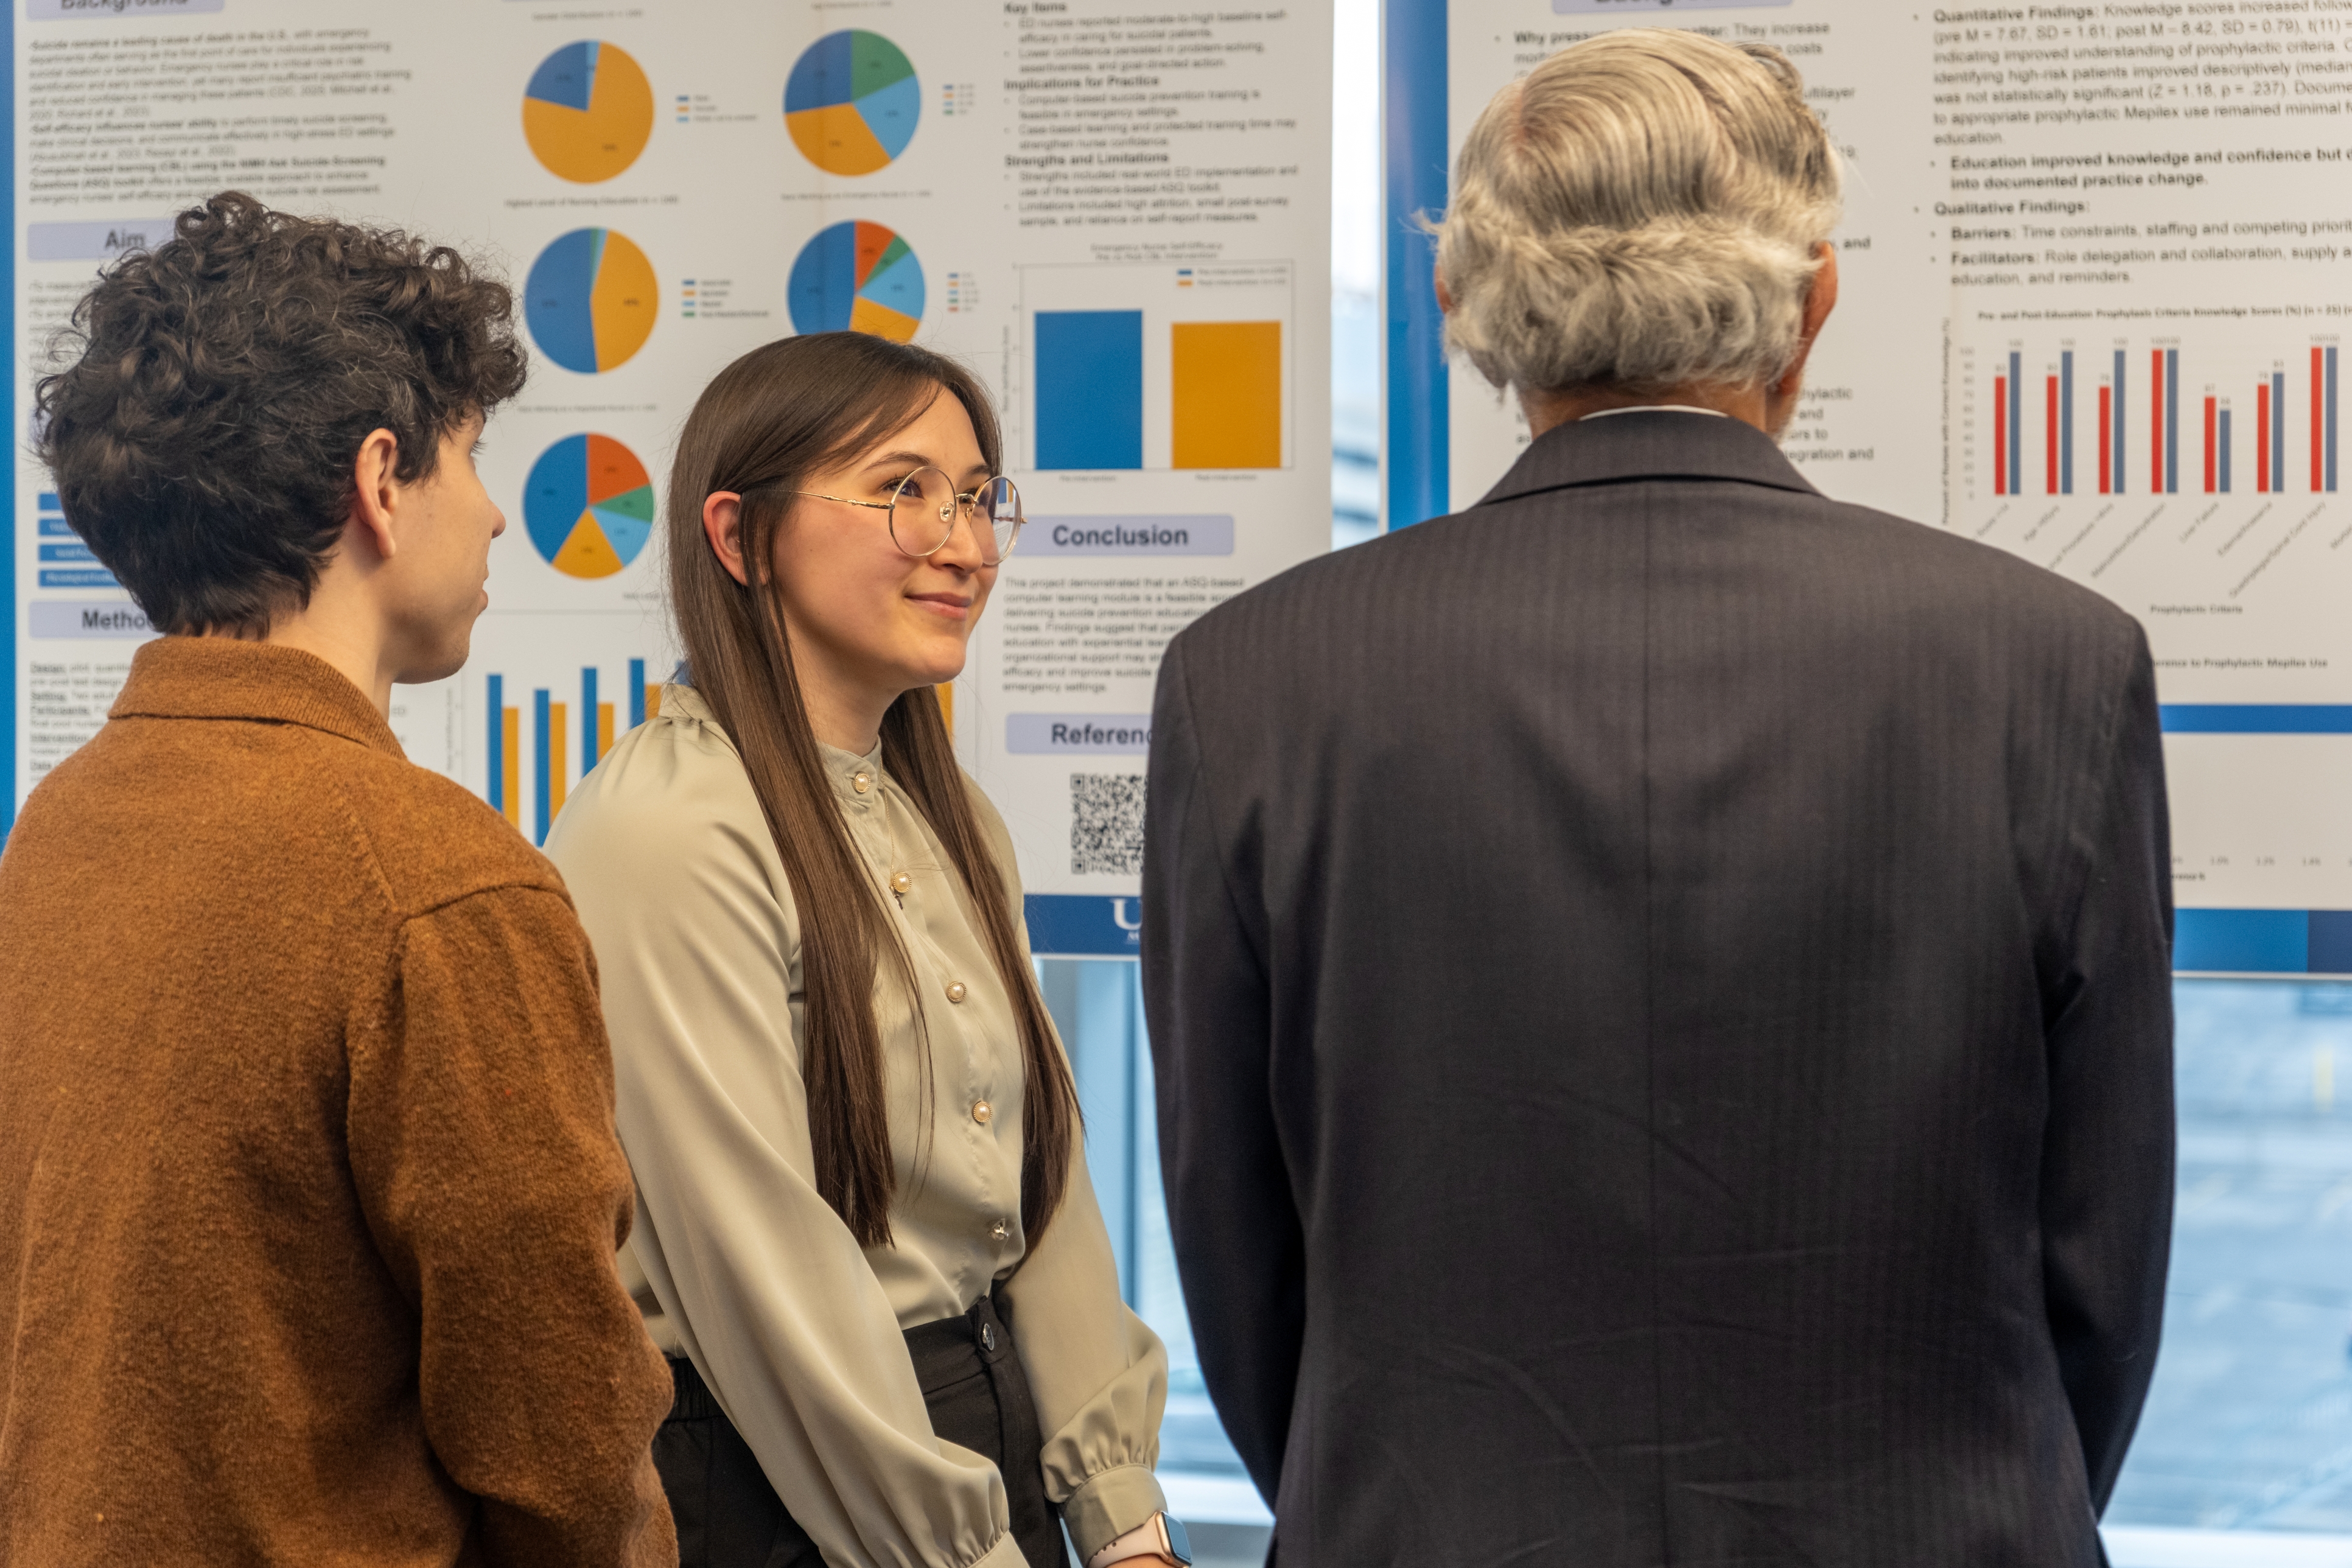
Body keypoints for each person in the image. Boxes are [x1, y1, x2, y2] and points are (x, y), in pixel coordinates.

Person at [1144, 30, 2174, 1568]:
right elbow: (2099, 1252)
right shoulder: (2055, 662)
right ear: (1812, 305)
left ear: (1467, 311)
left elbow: (1237, 1247)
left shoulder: (1254, 676)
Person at [0, 194, 676, 1566]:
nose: (492, 516)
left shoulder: (58, 826)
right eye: (472, 461)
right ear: (381, 480)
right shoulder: (439, 882)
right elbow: (563, 1443)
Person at [546, 332, 1185, 1568]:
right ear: (739, 537)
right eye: (905, 491)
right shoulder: (670, 824)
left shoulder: (951, 816)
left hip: (983, 1451)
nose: (966, 542)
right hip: (800, 1483)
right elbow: (767, 1281)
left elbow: (1039, 1184)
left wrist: (1123, 1521)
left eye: (978, 493)